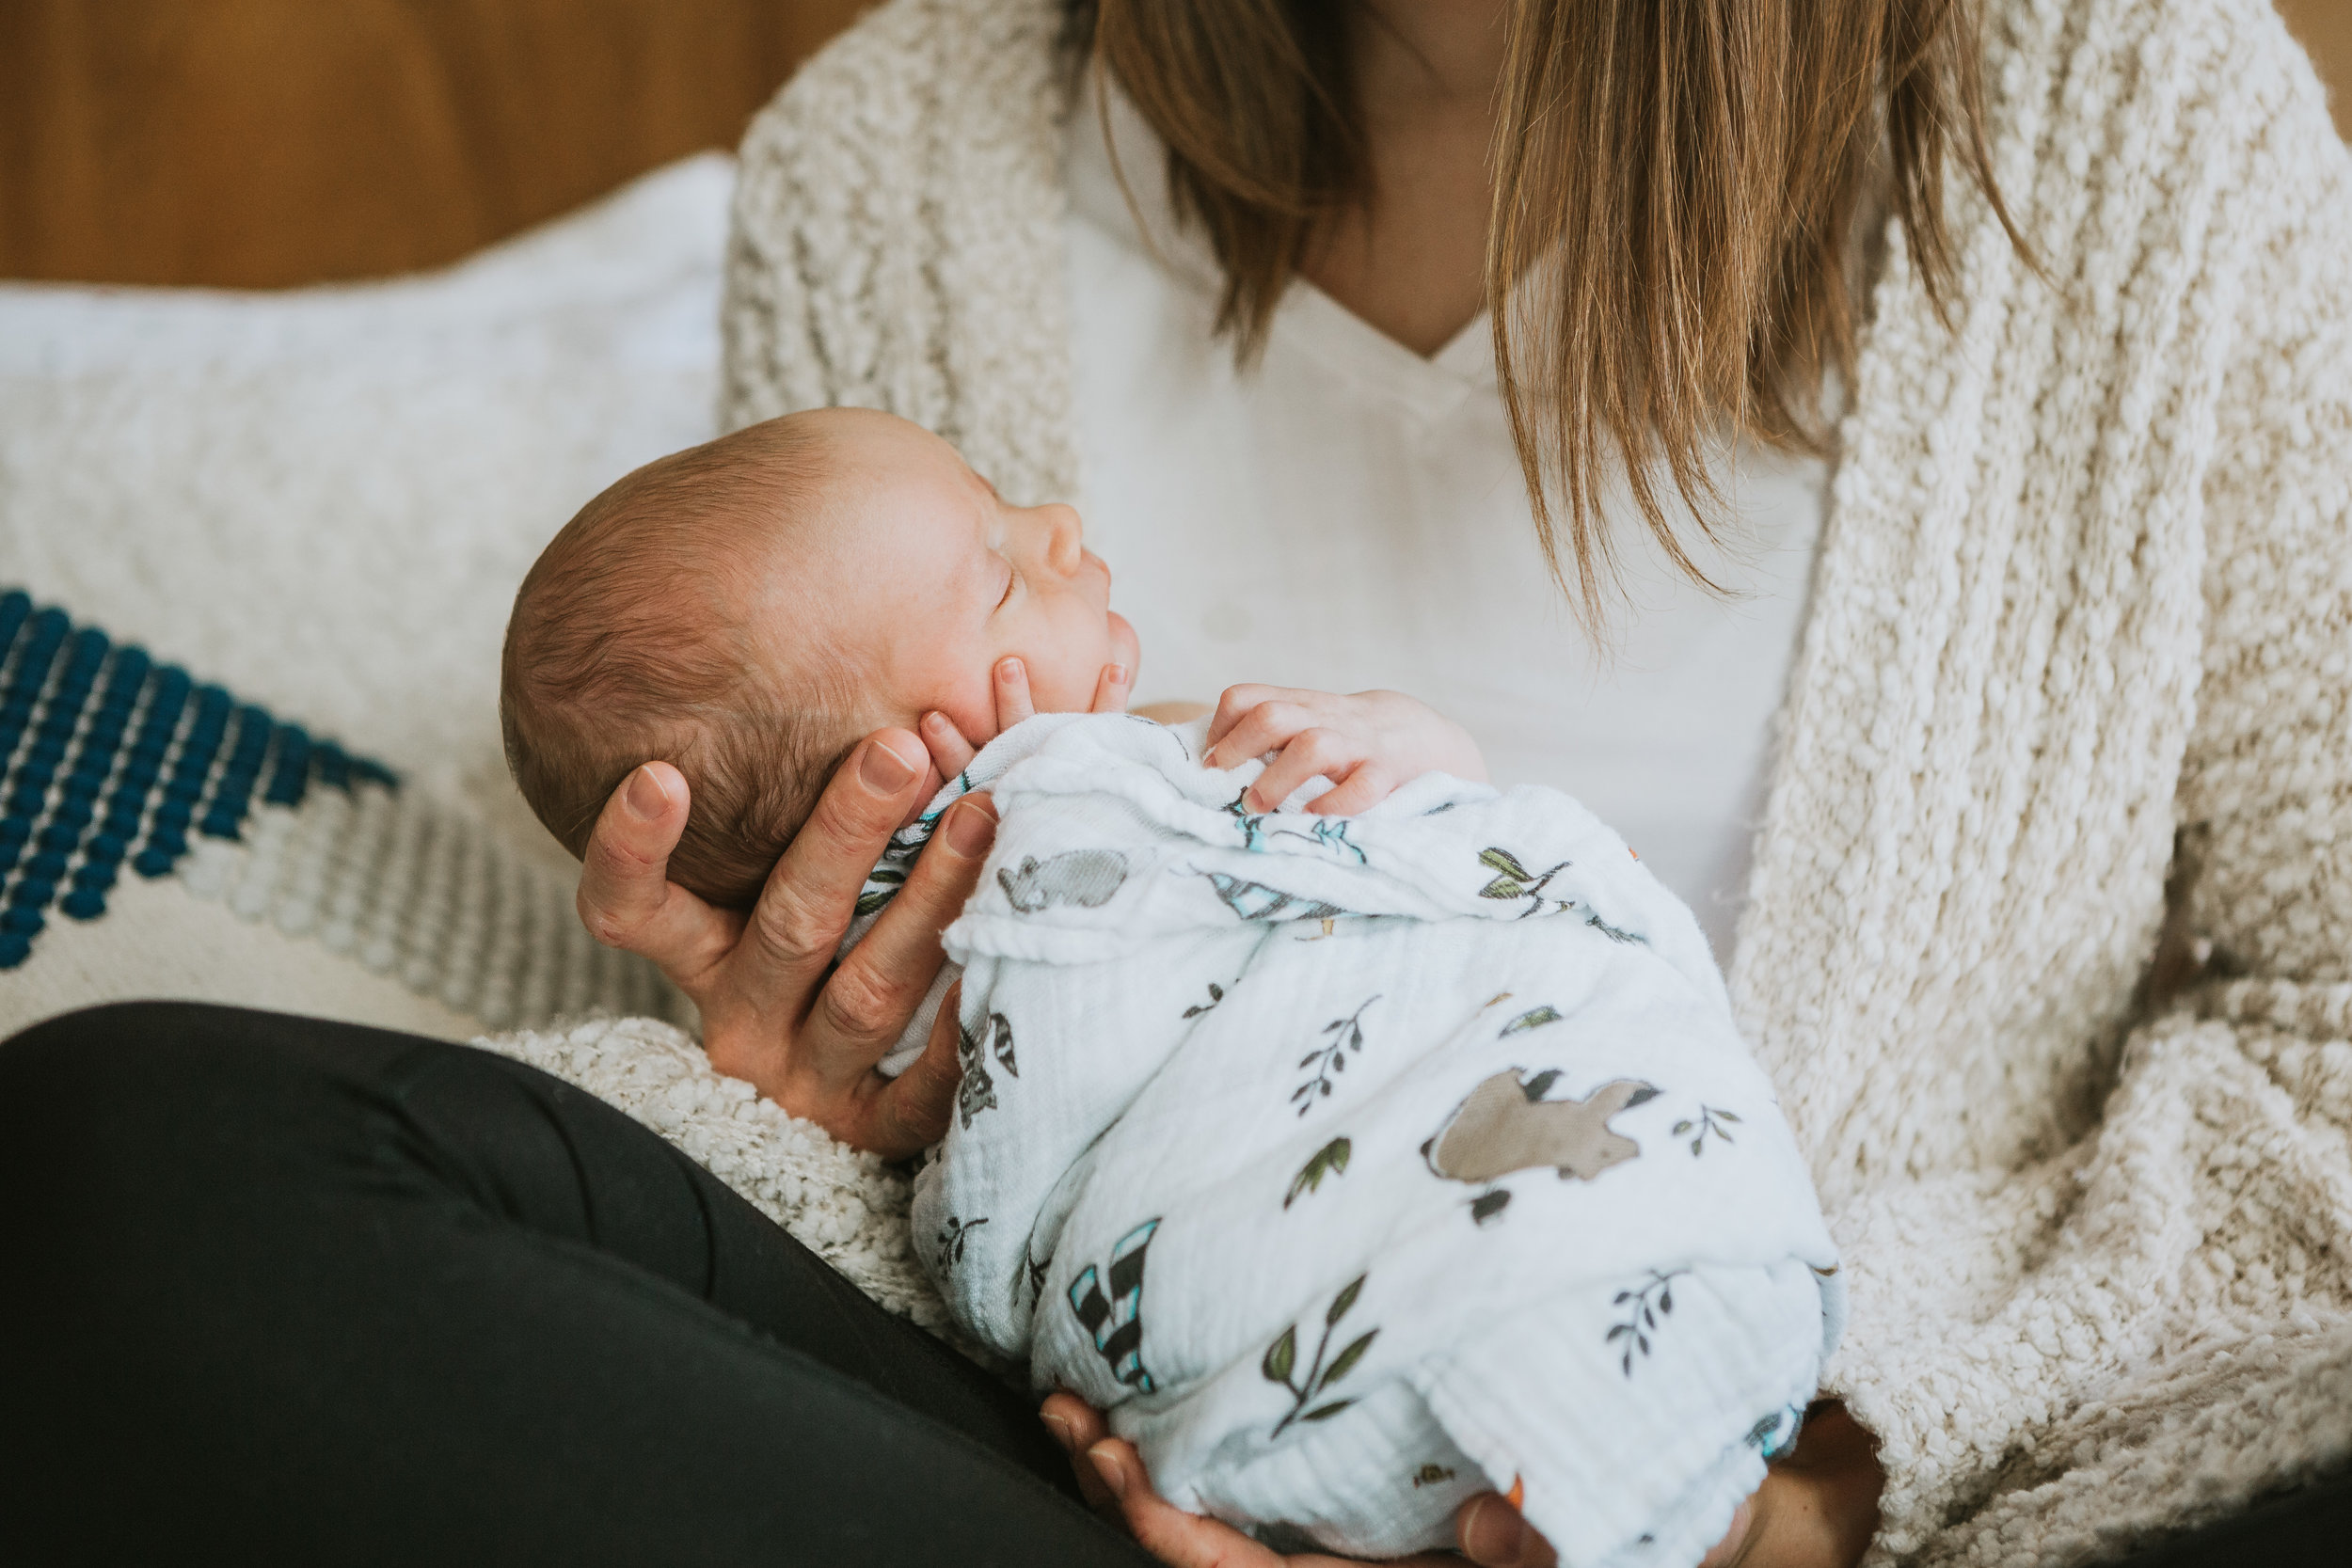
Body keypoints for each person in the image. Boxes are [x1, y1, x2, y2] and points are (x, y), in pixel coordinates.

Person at [5, 0, 2346, 1564]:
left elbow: (2325, 1082)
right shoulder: (902, 144)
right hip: (1098, 1456)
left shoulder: (2114, 107)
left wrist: (1749, 1472)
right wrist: (806, 1100)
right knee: (125, 1166)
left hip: (1849, 1475)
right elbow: (830, 1193)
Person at [496, 401, 1845, 1560]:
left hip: (1365, 1367)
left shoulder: (1159, 777)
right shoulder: (1007, 879)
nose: (1061, 525)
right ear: (913, 760)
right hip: (1354, 1295)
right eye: (999, 570)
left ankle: (1690, 1505)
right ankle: (1659, 1485)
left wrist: (1398, 747)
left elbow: (1412, 885)